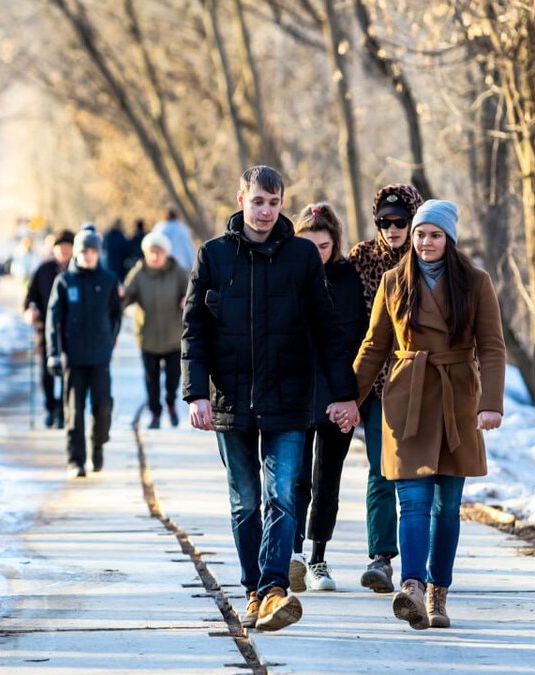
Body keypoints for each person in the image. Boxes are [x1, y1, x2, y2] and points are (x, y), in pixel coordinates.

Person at [182, 166, 360, 632]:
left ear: (282, 204)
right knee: (246, 502)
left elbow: (328, 330)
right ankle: (252, 590)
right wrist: (196, 393)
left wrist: (346, 395)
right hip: (230, 401)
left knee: (282, 496)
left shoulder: (302, 256)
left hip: (289, 399)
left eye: (274, 202)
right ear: (241, 198)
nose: (265, 211)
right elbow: (194, 331)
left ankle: (274, 589)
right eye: (258, 201)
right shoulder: (214, 256)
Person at [352, 199, 506, 630]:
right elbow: (374, 346)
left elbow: (492, 346)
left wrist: (491, 402)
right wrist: (349, 398)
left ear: (449, 238)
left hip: (457, 398)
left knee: (447, 507)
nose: (424, 242)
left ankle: (439, 591)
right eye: (420, 234)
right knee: (413, 501)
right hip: (408, 397)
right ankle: (412, 587)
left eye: (434, 234)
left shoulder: (475, 282)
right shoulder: (393, 280)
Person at [345, 183, 423, 593]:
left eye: (400, 221)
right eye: (384, 222)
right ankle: (381, 557)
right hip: (376, 383)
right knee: (380, 469)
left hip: (422, 383)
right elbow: (352, 325)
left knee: (421, 474)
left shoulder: (429, 257)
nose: (392, 229)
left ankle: (423, 562)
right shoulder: (361, 259)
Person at [289, 203, 365, 593]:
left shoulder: (348, 278)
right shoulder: (288, 274)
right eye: (308, 244)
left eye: (323, 245)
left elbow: (357, 338)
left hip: (338, 391)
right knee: (294, 478)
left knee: (327, 479)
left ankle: (318, 556)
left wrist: (350, 397)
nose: (315, 252)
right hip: (296, 393)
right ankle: (294, 553)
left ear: (334, 244)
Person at [47, 224, 123, 478]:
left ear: (98, 253)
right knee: (74, 412)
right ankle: (75, 460)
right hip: (74, 357)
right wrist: (53, 353)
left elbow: (116, 315)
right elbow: (53, 320)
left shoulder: (109, 281)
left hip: (100, 357)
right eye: (84, 251)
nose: (88, 255)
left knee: (102, 407)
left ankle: (98, 446)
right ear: (77, 253)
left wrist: (109, 340)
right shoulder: (65, 282)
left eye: (92, 250)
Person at [123, 231, 187, 429]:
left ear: (166, 253)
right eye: (151, 251)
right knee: (151, 381)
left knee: (172, 378)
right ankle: (155, 413)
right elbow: (126, 297)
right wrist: (119, 297)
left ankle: (170, 403)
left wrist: (187, 301)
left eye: (158, 251)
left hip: (173, 336)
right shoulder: (138, 274)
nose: (154, 256)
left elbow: (191, 294)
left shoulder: (178, 272)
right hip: (147, 336)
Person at [25, 229, 74, 429]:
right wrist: (31, 309)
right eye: (60, 248)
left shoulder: (77, 271)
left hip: (71, 330)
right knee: (46, 373)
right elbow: (30, 297)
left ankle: (63, 411)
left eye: (67, 248)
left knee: (68, 373)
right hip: (46, 330)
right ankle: (50, 408)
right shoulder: (43, 270)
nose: (63, 251)